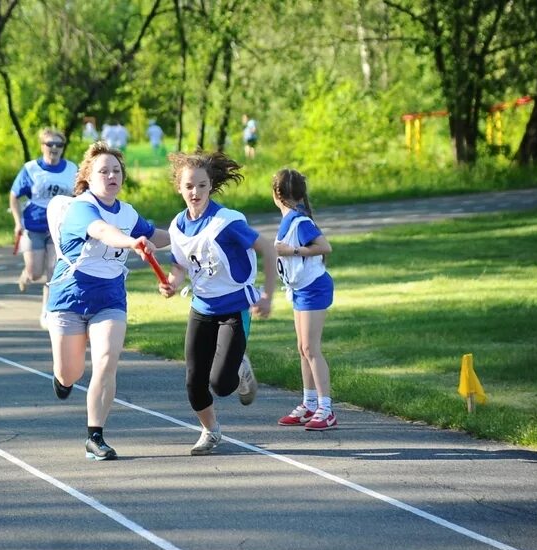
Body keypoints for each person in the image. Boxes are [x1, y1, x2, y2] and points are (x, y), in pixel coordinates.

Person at [45, 141, 170, 461]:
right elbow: (102, 231)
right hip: (70, 297)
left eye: (116, 170)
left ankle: (95, 436)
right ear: (88, 176)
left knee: (106, 360)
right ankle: (62, 378)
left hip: (110, 298)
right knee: (70, 374)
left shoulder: (127, 212)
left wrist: (193, 233)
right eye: (104, 171)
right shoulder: (81, 208)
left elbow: (155, 234)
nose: (111, 175)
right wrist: (131, 242)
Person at [157, 151, 277, 455]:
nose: (194, 192)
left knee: (221, 385)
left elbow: (267, 249)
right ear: (179, 188)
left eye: (201, 185)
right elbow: (180, 268)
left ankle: (239, 367)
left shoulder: (226, 223)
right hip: (202, 308)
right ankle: (210, 431)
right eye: (189, 186)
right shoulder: (177, 227)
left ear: (210, 186)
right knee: (193, 382)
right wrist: (171, 284)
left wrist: (267, 296)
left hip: (235, 307)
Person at [271, 168, 337, 431]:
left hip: (313, 288)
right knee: (302, 348)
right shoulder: (290, 220)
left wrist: (292, 250)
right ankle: (309, 403)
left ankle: (326, 409)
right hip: (300, 289)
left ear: (276, 194)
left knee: (311, 349)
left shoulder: (300, 221)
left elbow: (325, 247)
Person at [9, 128, 77, 329]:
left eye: (59, 145)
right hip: (34, 226)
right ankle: (26, 273)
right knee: (36, 273)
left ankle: (47, 312)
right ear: (42, 146)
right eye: (50, 144)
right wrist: (17, 222)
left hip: (58, 228)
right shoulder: (31, 169)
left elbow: (80, 195)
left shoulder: (72, 169)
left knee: (54, 271)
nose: (54, 148)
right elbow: (14, 196)